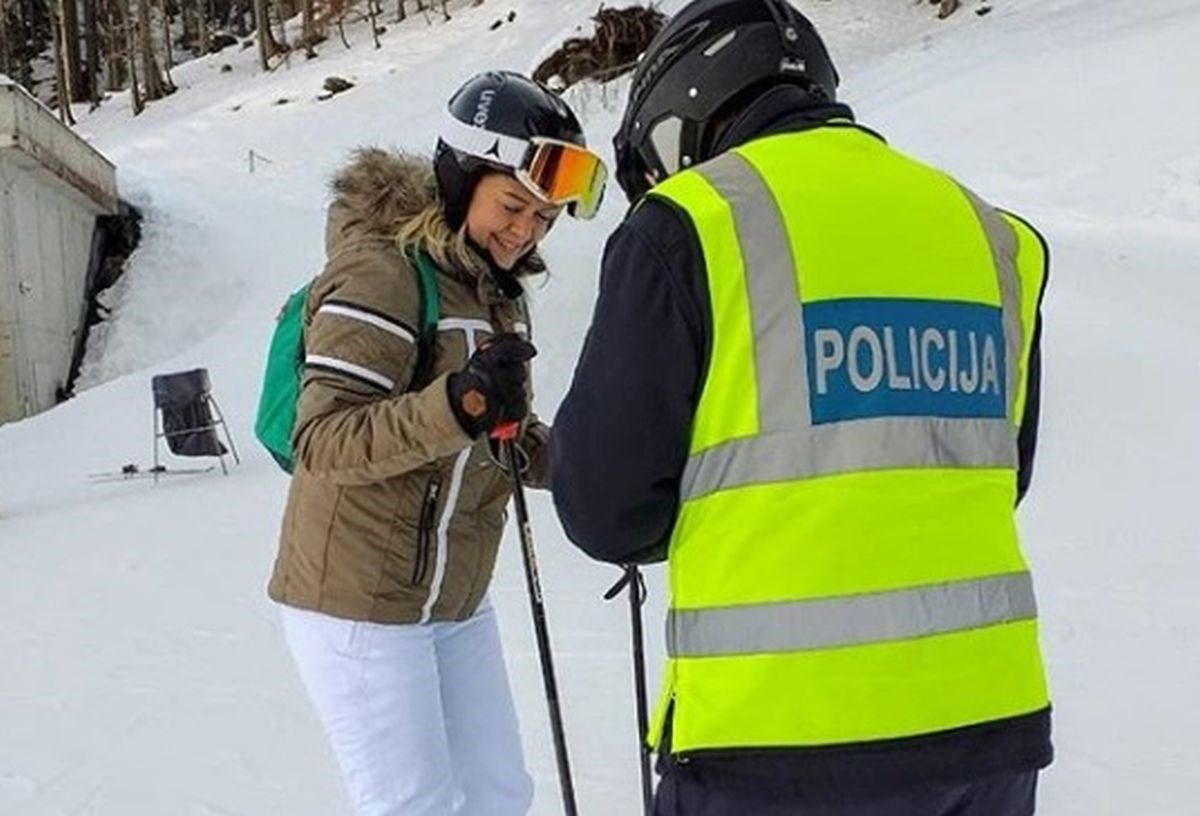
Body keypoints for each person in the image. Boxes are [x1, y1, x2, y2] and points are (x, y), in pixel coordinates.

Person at [551, 1, 1052, 814]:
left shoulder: (689, 226)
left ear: (684, 111)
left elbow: (607, 508)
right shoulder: (991, 235)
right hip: (986, 731)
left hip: (773, 739)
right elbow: (998, 471)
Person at [267, 70, 607, 816]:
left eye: (545, 218)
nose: (525, 232)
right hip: (357, 603)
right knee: (415, 807)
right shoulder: (380, 273)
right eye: (513, 206)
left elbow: (498, 437)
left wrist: (592, 455)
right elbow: (322, 440)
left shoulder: (488, 291)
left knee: (497, 795)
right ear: (460, 179)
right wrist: (458, 404)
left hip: (452, 601)